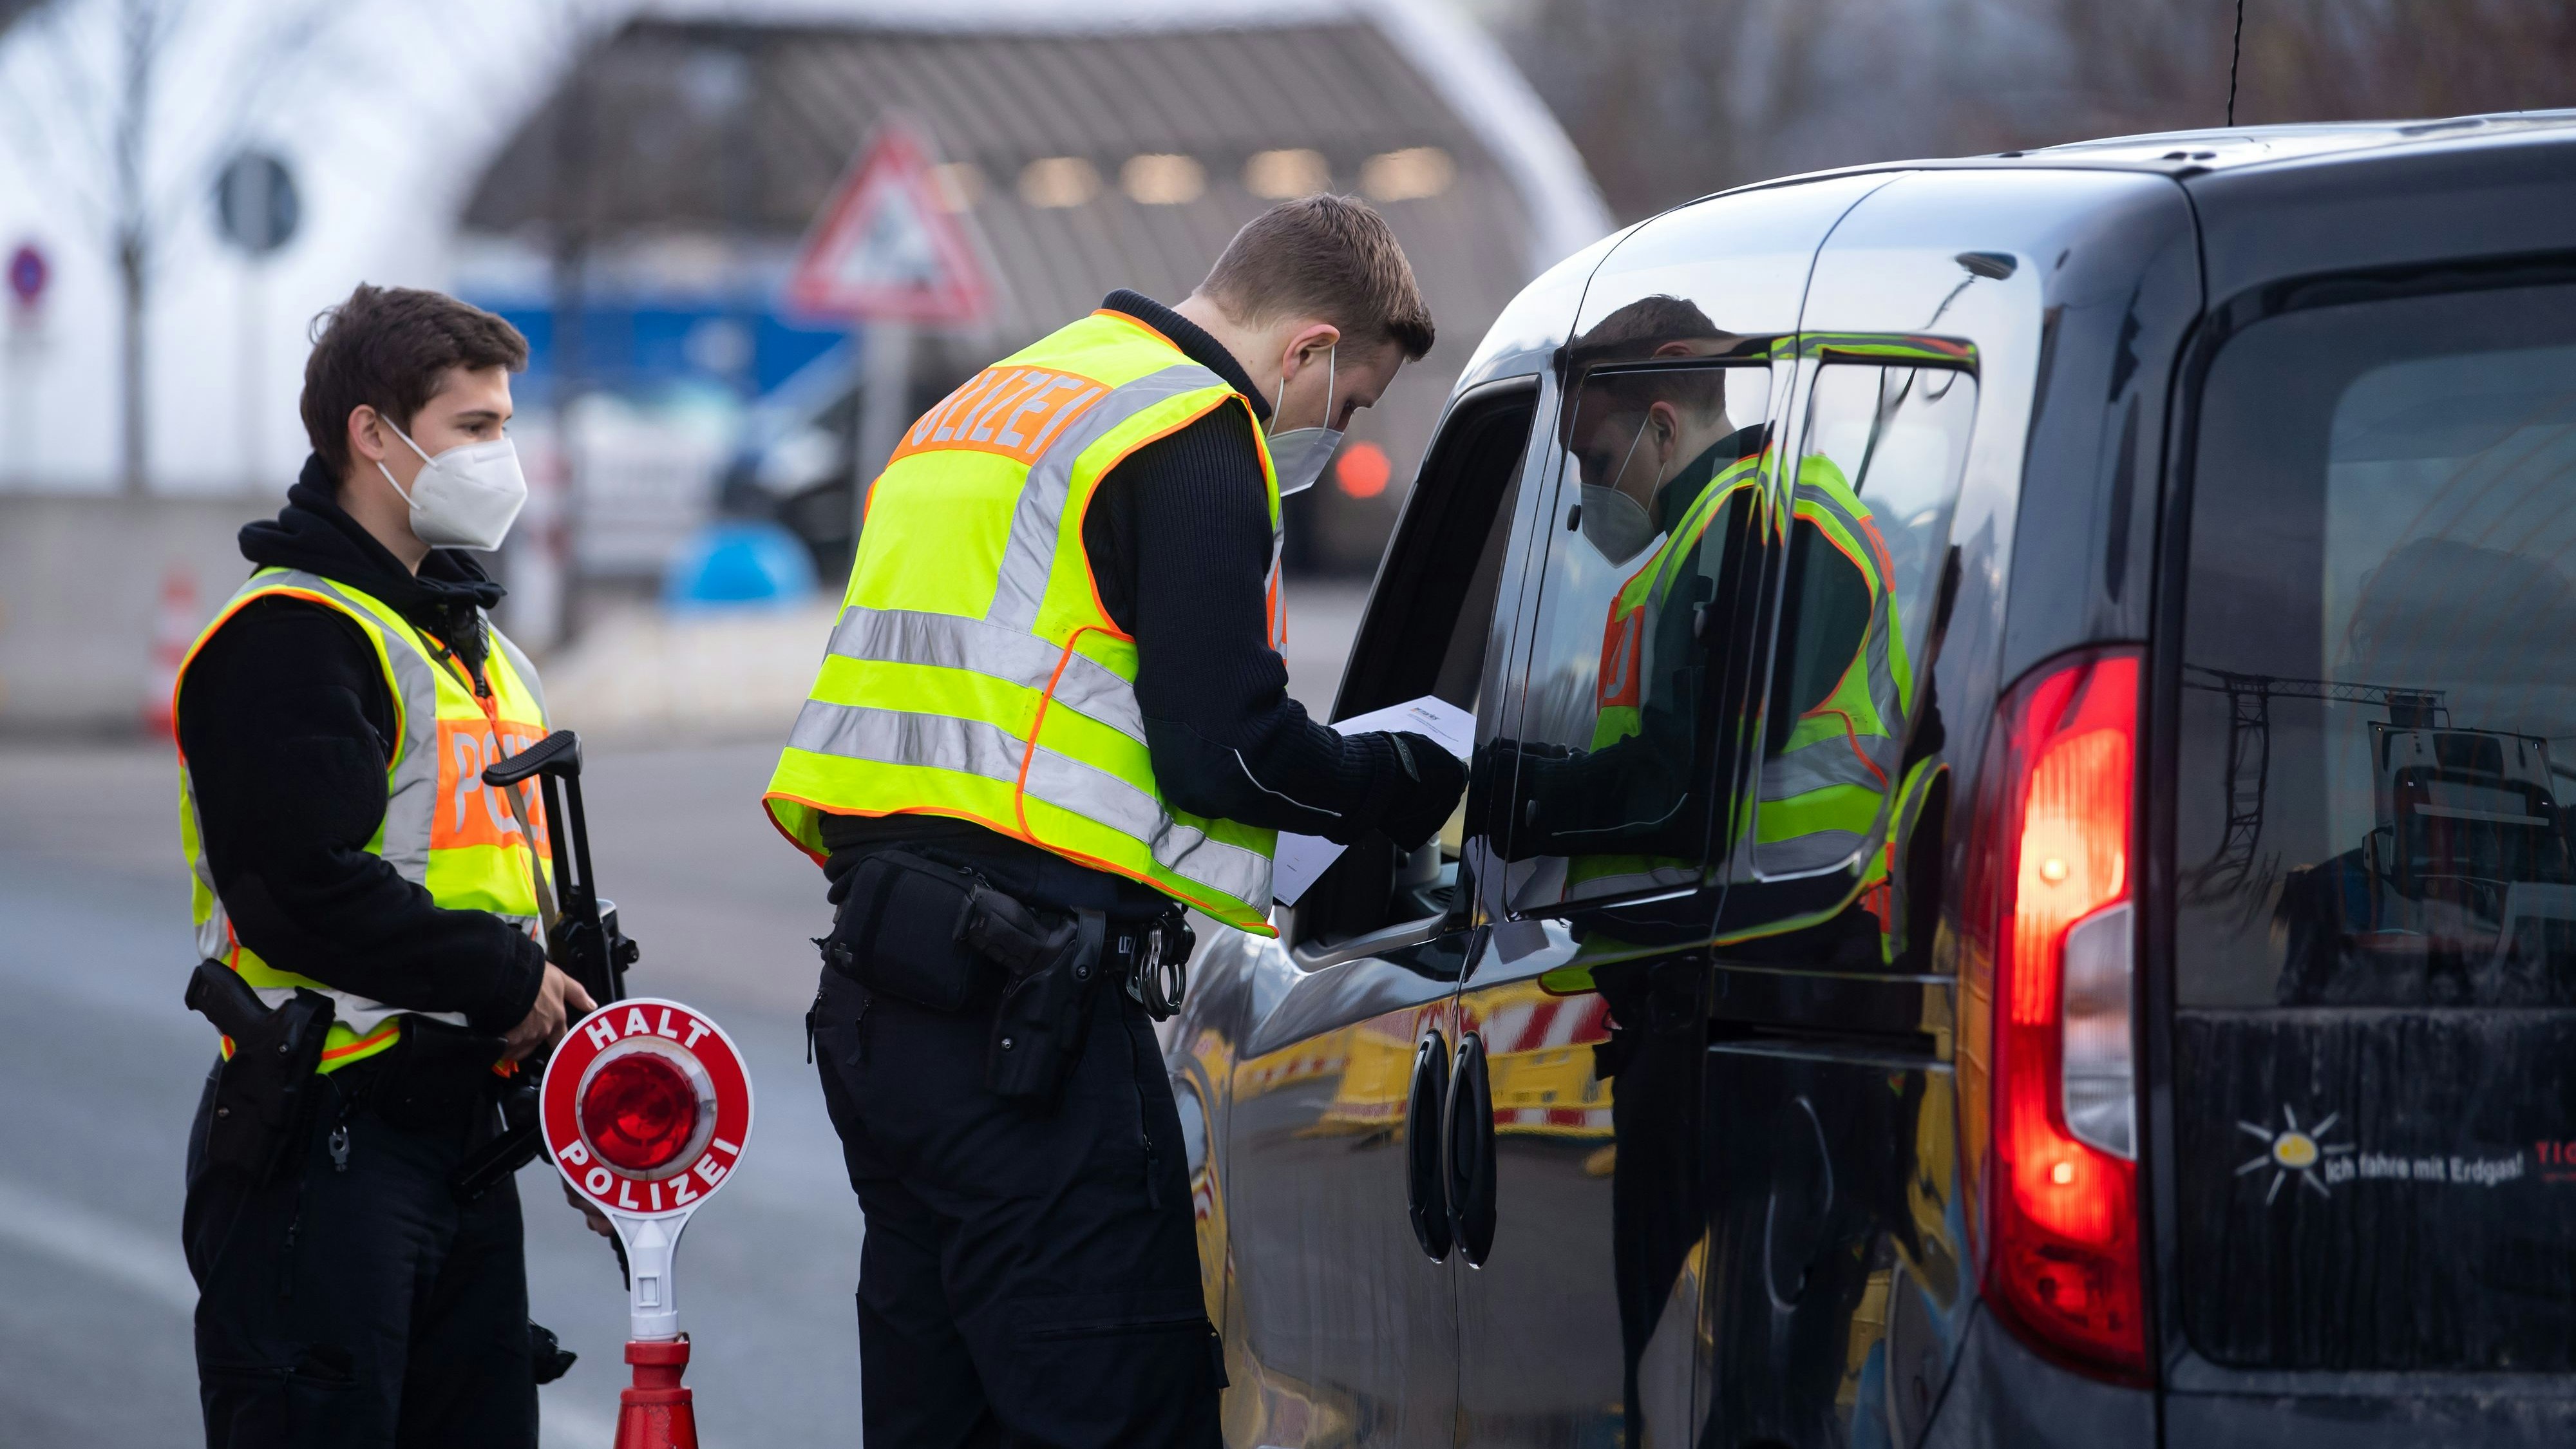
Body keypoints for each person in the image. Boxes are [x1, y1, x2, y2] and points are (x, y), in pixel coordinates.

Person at [770, 196, 1468, 1447]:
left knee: (941, 1416)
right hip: (1021, 1015)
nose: (1335, 429)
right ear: (1306, 351)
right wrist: (1406, 775)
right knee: (1117, 1404)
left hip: (881, 1001)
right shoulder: (1188, 427)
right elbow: (1225, 751)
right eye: (1352, 401)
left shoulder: (992, 402)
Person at [175, 284, 598, 1448]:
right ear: (374, 434)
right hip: (326, 1141)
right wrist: (497, 976)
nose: (503, 455)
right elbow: (295, 886)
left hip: (463, 1139)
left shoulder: (473, 645)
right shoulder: (292, 636)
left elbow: (508, 880)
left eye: (507, 424)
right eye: (476, 427)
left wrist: (572, 1009)